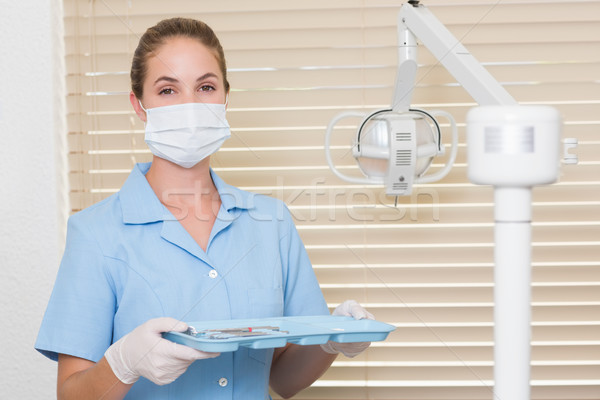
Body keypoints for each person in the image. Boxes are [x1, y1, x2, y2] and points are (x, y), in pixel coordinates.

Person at [35, 17, 374, 400]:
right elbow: (71, 394)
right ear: (139, 105)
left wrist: (332, 340)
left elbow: (282, 380)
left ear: (226, 98)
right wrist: (123, 363)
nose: (190, 106)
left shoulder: (272, 223)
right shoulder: (95, 233)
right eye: (167, 90)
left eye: (206, 87)